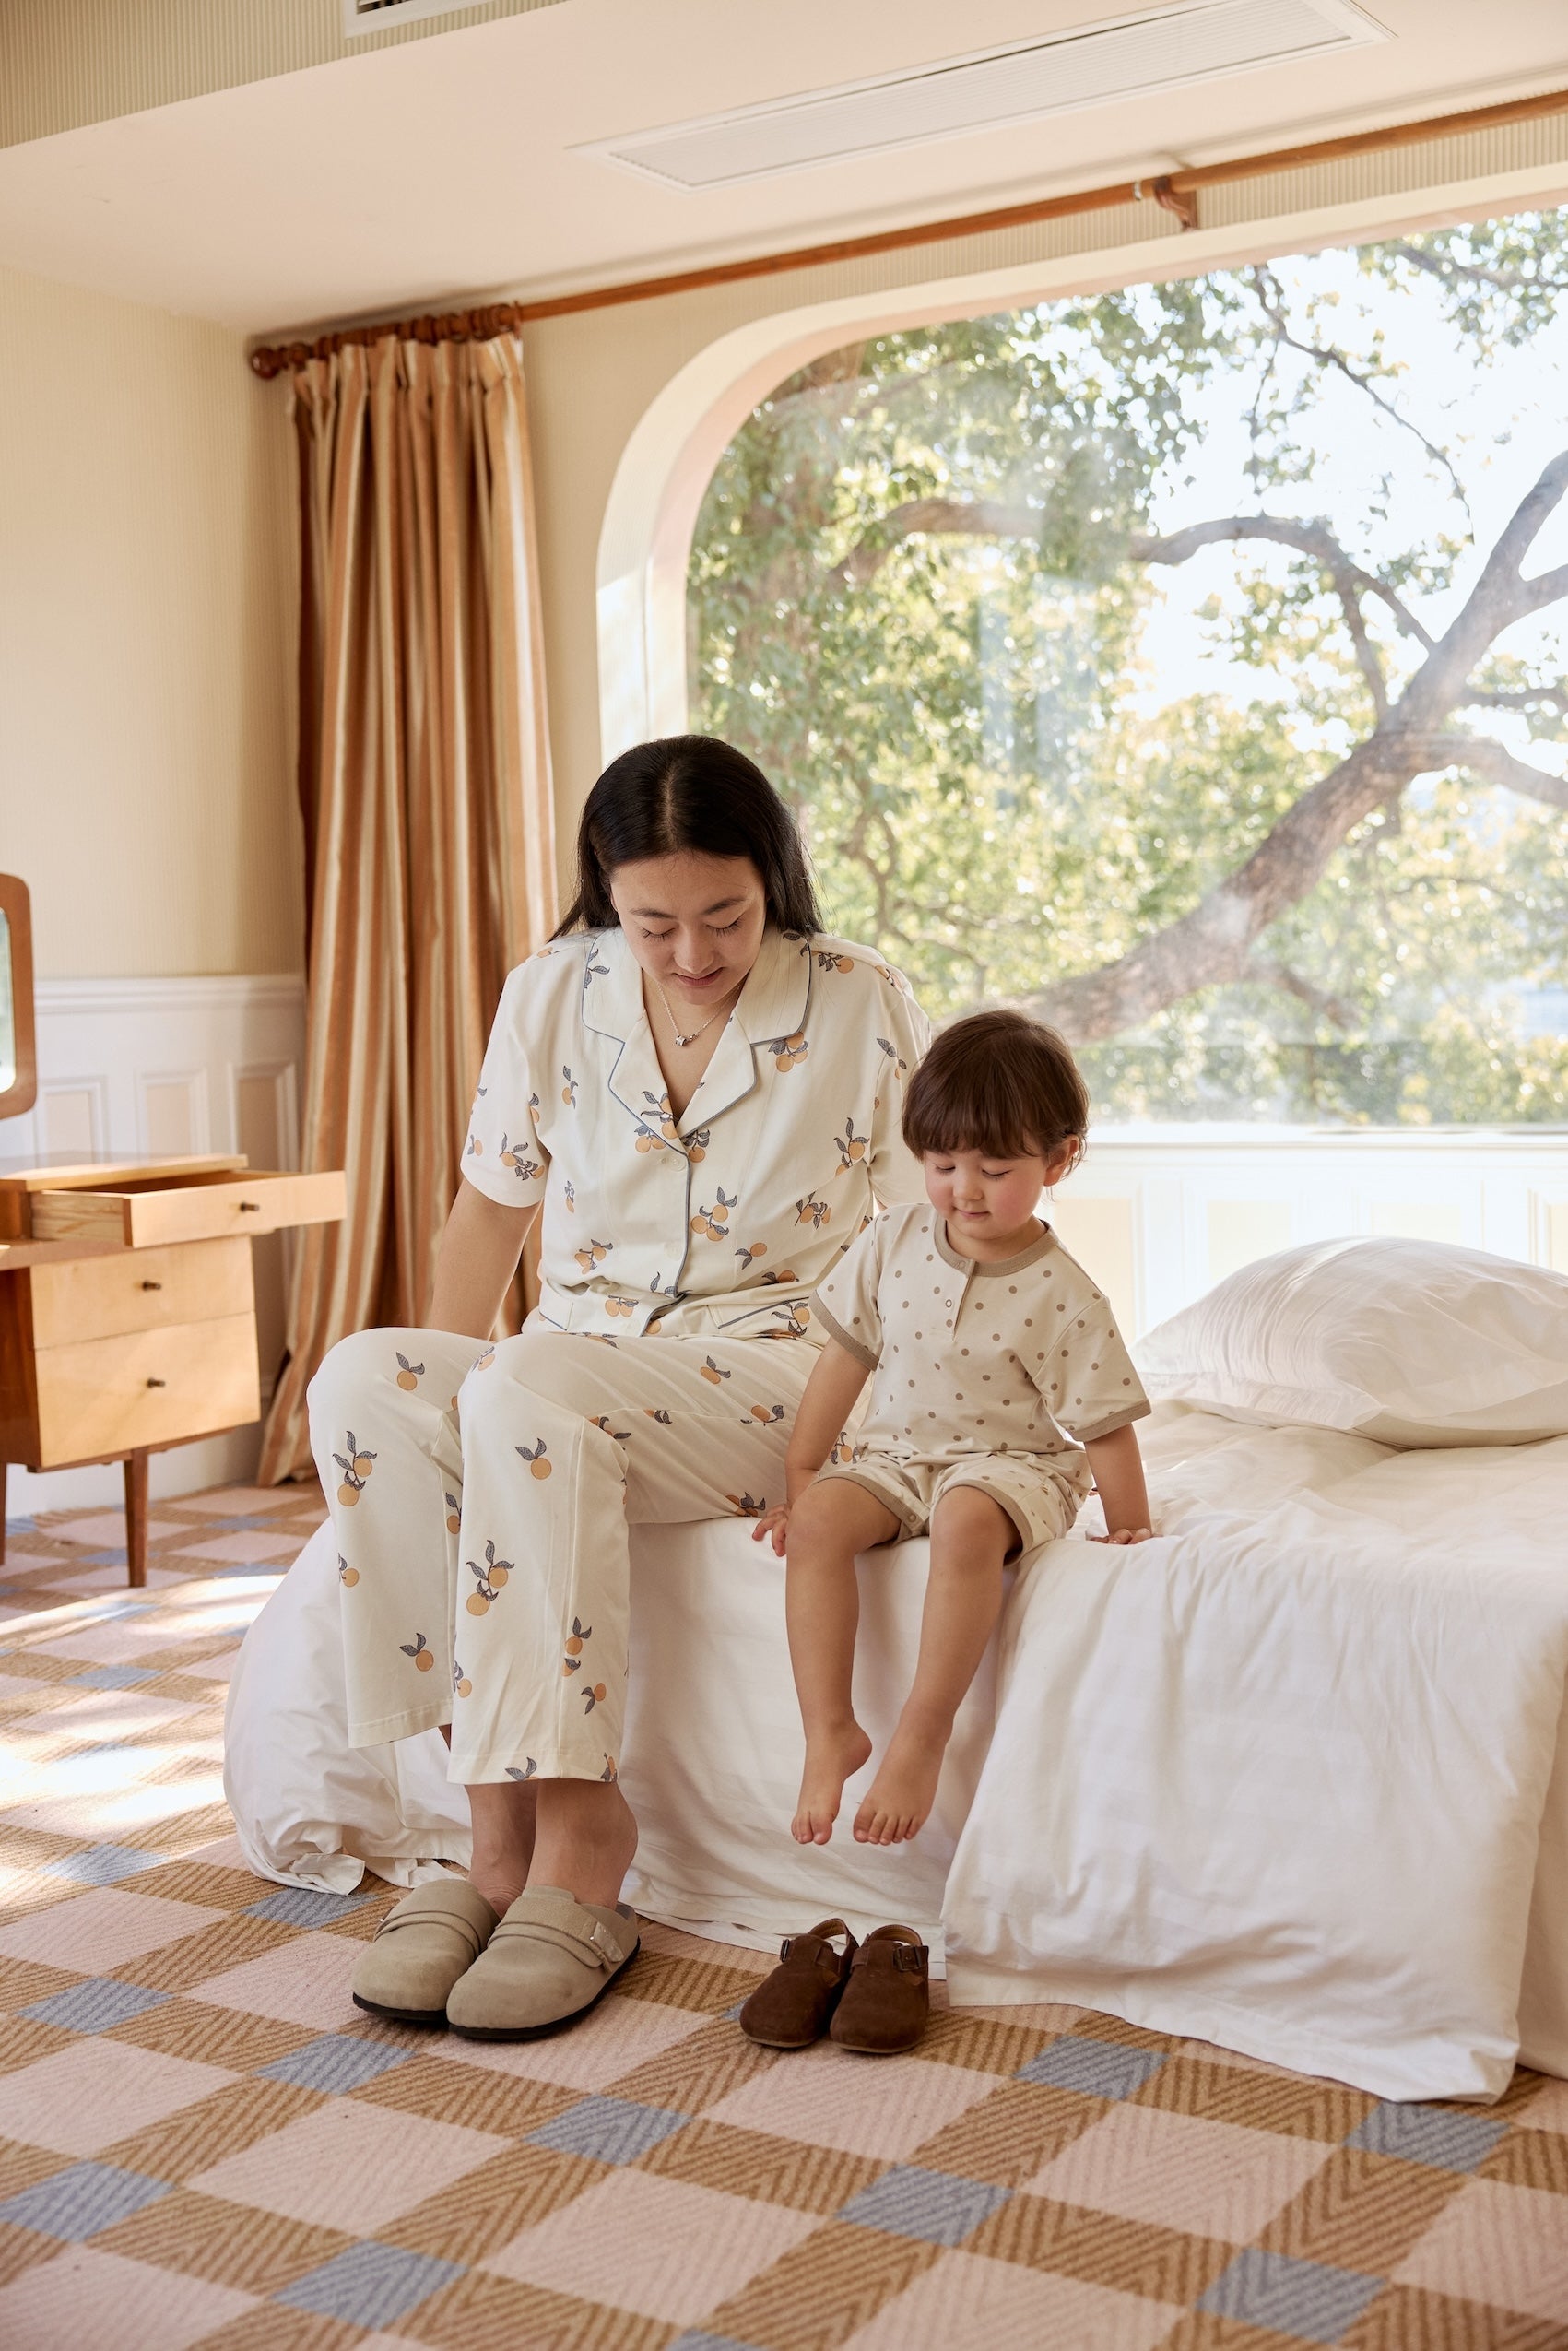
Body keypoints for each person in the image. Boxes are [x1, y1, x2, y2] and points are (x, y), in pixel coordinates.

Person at [310, 735, 930, 2038]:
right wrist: (446, 1412)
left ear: (774, 879)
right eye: (654, 925)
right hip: (561, 1368)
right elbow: (489, 1213)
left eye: (726, 917)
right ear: (605, 892)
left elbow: (921, 1242)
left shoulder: (858, 998)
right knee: (365, 1382)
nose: (692, 953)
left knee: (530, 1385)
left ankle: (584, 1842)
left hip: (775, 1374)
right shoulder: (549, 991)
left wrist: (902, 1442)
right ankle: (493, 1838)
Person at [753, 1009, 1153, 1850]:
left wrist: (1129, 1527)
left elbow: (1105, 1424)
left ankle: (921, 1735)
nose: (964, 1189)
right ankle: (830, 1731)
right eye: (941, 1165)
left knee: (966, 1519)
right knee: (821, 1522)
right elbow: (842, 1362)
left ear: (1057, 1160)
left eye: (993, 1170)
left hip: (1012, 1465)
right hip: (896, 1455)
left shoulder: (1065, 1294)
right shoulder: (891, 1240)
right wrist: (803, 1480)